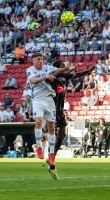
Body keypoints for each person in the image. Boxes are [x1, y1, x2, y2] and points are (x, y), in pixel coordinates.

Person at [26, 52, 67, 180]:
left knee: (53, 129)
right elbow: (34, 80)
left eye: (42, 59)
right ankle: (39, 148)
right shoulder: (31, 70)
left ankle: (52, 156)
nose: (40, 61)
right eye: (38, 59)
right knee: (38, 121)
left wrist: (69, 68)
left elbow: (60, 70)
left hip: (51, 102)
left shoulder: (50, 69)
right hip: (38, 100)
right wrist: (46, 77)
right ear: (33, 61)